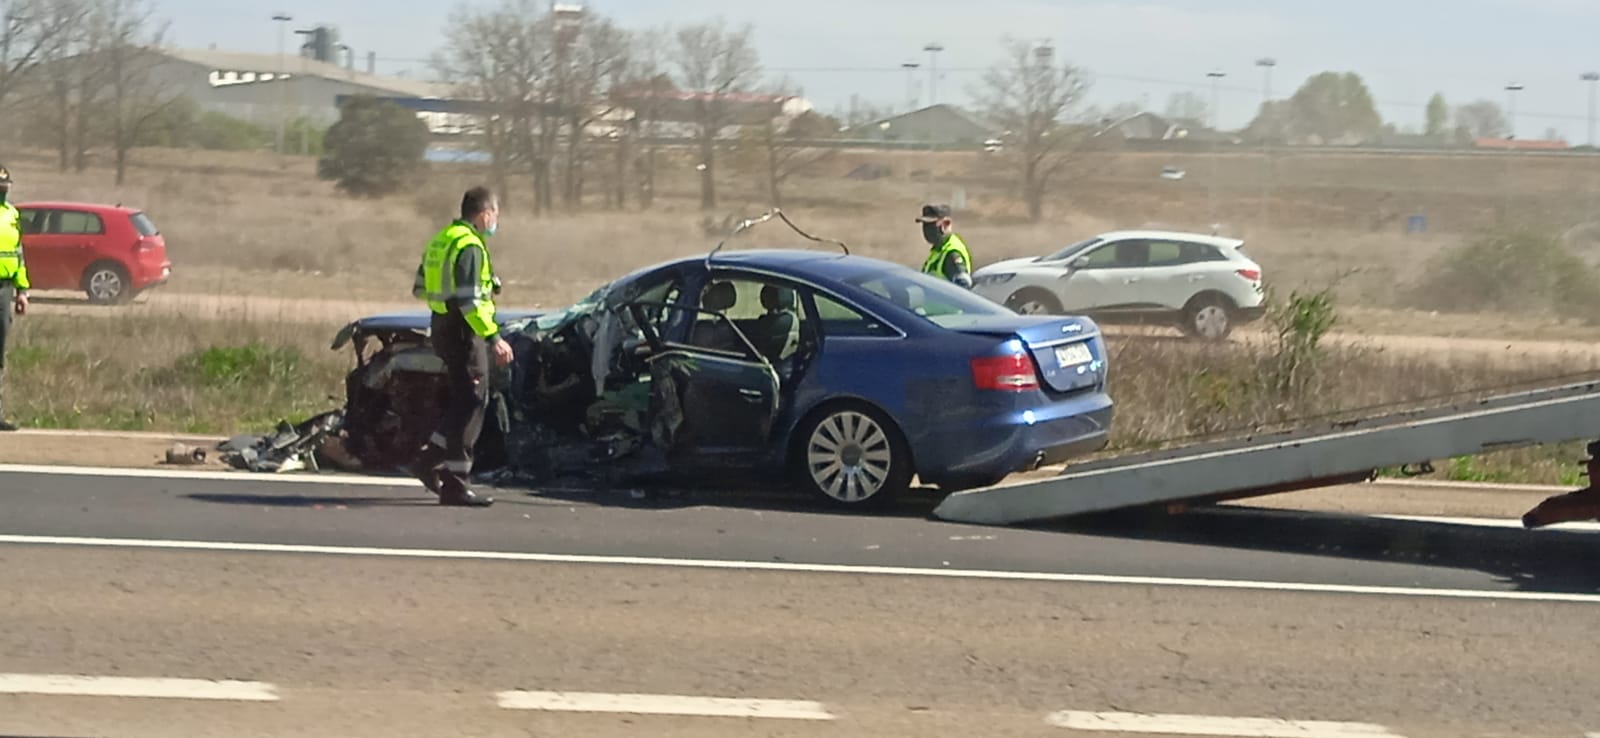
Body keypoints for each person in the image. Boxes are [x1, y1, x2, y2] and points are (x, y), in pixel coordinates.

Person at [409, 186, 514, 507]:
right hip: (465, 333)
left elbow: (419, 288)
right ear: (485, 214)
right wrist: (494, 338)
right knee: (472, 402)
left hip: (441, 326)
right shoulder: (470, 246)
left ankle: (430, 458)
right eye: (495, 214)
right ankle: (455, 482)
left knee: (462, 401)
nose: (496, 221)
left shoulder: (443, 239)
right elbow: (470, 301)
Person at [0, 164, 28, 432]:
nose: (3, 190)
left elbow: (18, 255)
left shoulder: (12, 214)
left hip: (4, 289)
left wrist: (22, 291)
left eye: (6, 186)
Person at [916, 204, 973, 288]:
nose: (927, 229)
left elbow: (964, 285)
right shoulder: (937, 251)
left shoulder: (952, 253)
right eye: (925, 225)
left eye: (931, 225)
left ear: (946, 224)